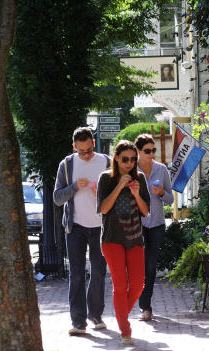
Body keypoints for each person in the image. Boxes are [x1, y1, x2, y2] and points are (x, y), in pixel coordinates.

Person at [53, 127, 110, 335]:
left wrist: (101, 192)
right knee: (76, 275)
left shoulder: (106, 162)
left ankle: (95, 314)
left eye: (88, 150)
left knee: (98, 273)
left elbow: (116, 193)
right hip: (75, 226)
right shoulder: (66, 165)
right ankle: (78, 322)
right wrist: (75, 186)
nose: (85, 155)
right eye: (81, 151)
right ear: (74, 147)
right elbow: (57, 198)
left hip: (101, 226)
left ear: (93, 144)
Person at [98, 140, 150, 346]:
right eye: (125, 159)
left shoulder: (140, 178)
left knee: (138, 284)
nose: (129, 163)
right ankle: (125, 330)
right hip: (112, 239)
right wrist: (120, 185)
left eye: (133, 159)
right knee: (120, 286)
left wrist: (137, 194)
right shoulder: (105, 178)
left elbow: (145, 211)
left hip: (135, 238)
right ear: (116, 158)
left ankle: (121, 316)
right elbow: (103, 209)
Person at [134, 133, 172, 321]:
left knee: (150, 267)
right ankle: (139, 302)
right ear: (138, 152)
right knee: (138, 266)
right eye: (147, 151)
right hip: (137, 225)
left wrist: (162, 192)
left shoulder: (161, 170)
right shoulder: (131, 171)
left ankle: (145, 307)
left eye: (153, 150)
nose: (151, 154)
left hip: (156, 225)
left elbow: (170, 199)